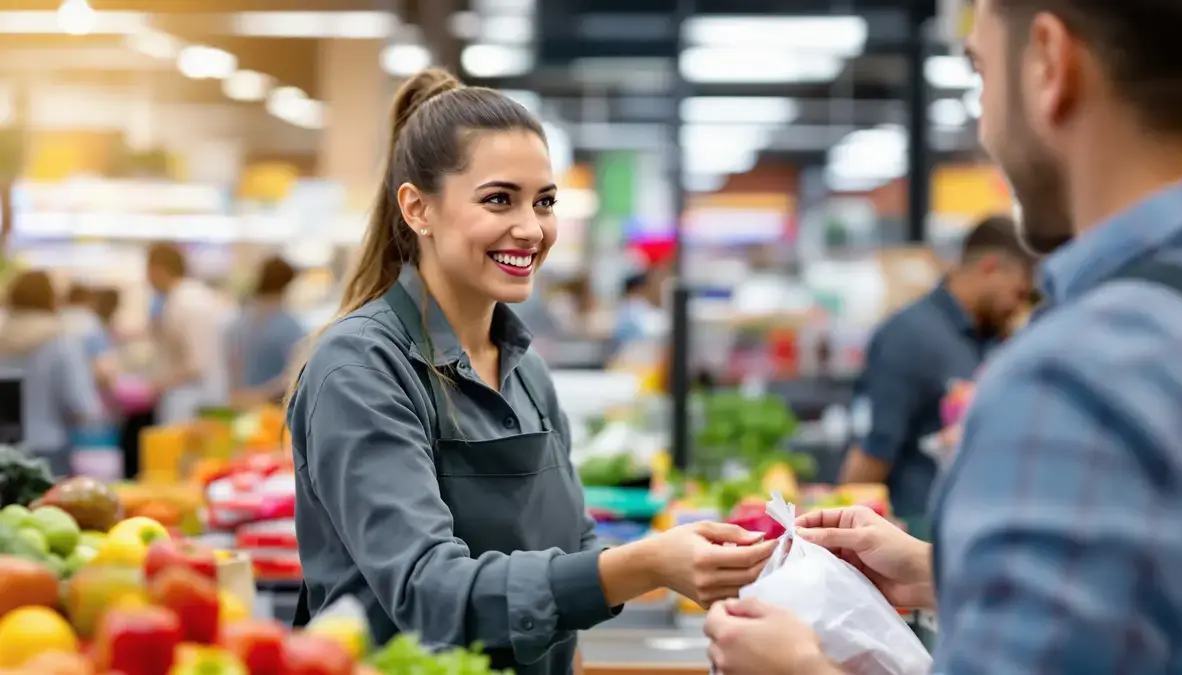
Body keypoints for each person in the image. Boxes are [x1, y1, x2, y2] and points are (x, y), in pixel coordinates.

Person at [705, 0, 1182, 671]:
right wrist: (937, 573)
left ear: (1049, 64)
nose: (983, 121)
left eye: (981, 73)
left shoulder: (1077, 376)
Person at [286, 68, 776, 675]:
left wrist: (700, 555)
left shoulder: (526, 371)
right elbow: (427, 591)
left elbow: (577, 550)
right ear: (418, 208)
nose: (531, 228)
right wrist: (648, 564)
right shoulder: (362, 366)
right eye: (499, 199)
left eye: (545, 201)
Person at [839, 215, 1032, 522]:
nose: (1018, 307)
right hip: (915, 526)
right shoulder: (909, 337)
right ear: (990, 267)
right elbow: (873, 452)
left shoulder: (994, 338)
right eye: (1019, 293)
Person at [0, 271, 102, 475]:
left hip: (4, 450)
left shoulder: (3, 338)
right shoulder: (62, 342)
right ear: (51, 299)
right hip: (49, 451)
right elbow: (81, 405)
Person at [145, 242, 230, 422]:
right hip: (189, 398)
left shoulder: (188, 302)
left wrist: (159, 383)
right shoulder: (181, 298)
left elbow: (197, 364)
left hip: (193, 402)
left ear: (157, 269)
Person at [225, 256, 305, 410]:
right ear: (288, 284)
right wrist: (261, 395)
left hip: (239, 404)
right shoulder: (289, 326)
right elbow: (294, 374)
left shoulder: (239, 321)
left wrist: (240, 395)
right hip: (272, 409)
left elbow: (232, 365)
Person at [611, 272, 667, 346]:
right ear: (637, 289)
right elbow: (649, 329)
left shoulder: (631, 305)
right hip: (633, 350)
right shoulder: (634, 306)